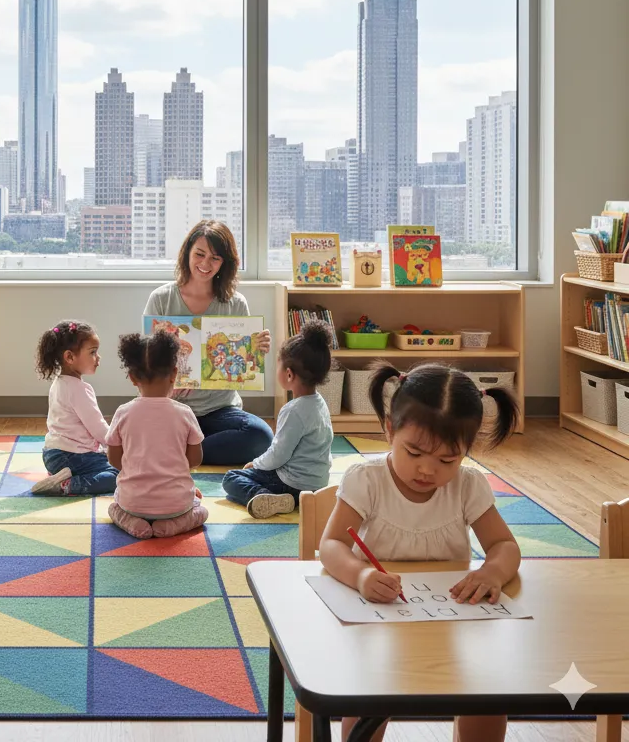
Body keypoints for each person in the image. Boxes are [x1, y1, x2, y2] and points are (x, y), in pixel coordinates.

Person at [319, 362, 522, 742]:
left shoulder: (467, 486)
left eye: (448, 460)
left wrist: (492, 572)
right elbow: (330, 546)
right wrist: (361, 575)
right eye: (413, 452)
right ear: (389, 430)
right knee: (369, 690)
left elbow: (504, 546)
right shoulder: (367, 480)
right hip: (380, 616)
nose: (427, 470)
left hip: (450, 620)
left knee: (490, 691)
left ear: (466, 451)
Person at [143, 220, 272, 466]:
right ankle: (184, 448)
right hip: (171, 407)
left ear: (225, 263)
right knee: (136, 427)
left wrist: (256, 351)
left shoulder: (235, 303)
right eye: (199, 254)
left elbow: (240, 370)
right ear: (187, 254)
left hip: (219, 410)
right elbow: (147, 363)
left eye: (215, 258)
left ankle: (177, 453)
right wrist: (166, 387)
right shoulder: (161, 298)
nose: (205, 264)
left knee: (260, 437)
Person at [222, 322, 334, 518]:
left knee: (231, 478)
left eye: (278, 365)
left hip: (291, 484)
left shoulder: (293, 410)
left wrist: (255, 463)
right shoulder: (320, 404)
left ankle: (264, 496)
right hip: (317, 485)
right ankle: (288, 499)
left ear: (289, 374)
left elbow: (278, 455)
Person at [106, 330, 208, 540]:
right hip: (176, 504)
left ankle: (134, 523)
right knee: (202, 511)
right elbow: (195, 460)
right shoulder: (185, 413)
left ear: (133, 378)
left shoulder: (122, 412)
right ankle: (170, 526)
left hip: (132, 503)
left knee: (114, 505)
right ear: (174, 373)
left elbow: (114, 459)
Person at [32, 320, 118, 496]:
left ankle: (61, 474)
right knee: (118, 475)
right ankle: (67, 485)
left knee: (110, 462)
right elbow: (98, 428)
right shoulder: (79, 389)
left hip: (53, 455)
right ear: (70, 357)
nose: (98, 357)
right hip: (71, 456)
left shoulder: (60, 382)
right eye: (93, 352)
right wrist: (117, 447)